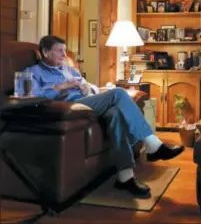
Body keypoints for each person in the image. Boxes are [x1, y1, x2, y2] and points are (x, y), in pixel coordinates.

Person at [24, 35, 185, 199]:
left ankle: (125, 176)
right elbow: (31, 97)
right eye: (59, 51)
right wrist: (62, 86)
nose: (64, 55)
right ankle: (152, 144)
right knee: (119, 93)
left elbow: (92, 87)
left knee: (115, 113)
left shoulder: (70, 70)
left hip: (87, 102)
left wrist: (88, 88)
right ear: (45, 52)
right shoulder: (33, 72)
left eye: (65, 51)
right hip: (70, 108)